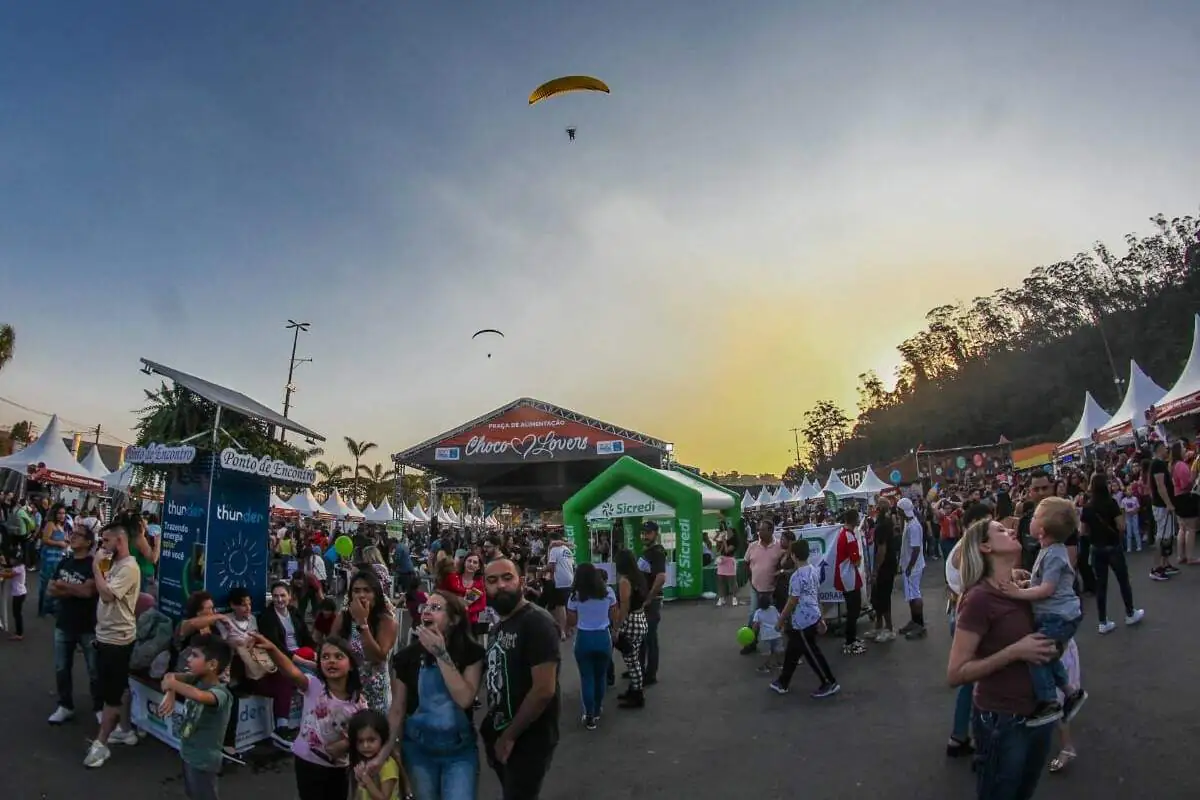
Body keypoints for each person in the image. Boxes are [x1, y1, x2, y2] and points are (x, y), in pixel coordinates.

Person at [948, 518, 1060, 800]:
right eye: (1000, 530)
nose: (1011, 530)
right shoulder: (978, 599)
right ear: (985, 547)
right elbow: (956, 673)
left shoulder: (1022, 585)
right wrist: (1014, 652)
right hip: (1003, 721)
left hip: (1040, 714)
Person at [382, 590, 483, 799]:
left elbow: (465, 699)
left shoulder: (471, 653)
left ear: (454, 619)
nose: (427, 611)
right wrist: (384, 753)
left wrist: (441, 655)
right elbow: (398, 709)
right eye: (425, 607)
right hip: (419, 750)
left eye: (436, 608)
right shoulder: (405, 657)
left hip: (459, 752)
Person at [1001, 497, 1087, 727]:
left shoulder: (1055, 555)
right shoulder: (1048, 550)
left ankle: (1049, 702)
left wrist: (1016, 593)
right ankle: (1070, 692)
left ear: (1041, 529)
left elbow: (1047, 590)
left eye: (1036, 515)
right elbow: (1043, 583)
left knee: (1036, 654)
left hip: (1059, 617)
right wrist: (1029, 583)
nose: (1030, 519)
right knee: (1048, 656)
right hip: (1055, 615)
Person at [481, 558, 561, 799]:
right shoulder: (500, 626)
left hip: (528, 738)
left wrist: (509, 736)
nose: (501, 585)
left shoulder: (536, 621)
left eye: (507, 578)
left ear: (522, 582)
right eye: (492, 581)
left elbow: (544, 690)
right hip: (501, 731)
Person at [255, 633, 367, 800]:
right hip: (307, 762)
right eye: (325, 657)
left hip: (339, 768)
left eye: (339, 656)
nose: (331, 661)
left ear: (351, 665)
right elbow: (291, 671)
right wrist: (272, 649)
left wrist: (345, 743)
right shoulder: (313, 686)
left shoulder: (358, 702)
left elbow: (363, 735)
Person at [85, 519, 142, 768]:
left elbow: (107, 594)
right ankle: (126, 730)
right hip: (106, 634)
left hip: (118, 639)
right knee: (117, 688)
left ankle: (101, 744)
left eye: (107, 540)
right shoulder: (115, 564)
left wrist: (96, 567)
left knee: (112, 695)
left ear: (120, 540)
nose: (103, 545)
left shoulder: (129, 567)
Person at [158, 634, 235, 800]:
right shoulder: (196, 678)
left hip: (204, 761)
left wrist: (174, 686)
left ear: (212, 664)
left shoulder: (222, 693)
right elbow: (168, 677)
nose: (189, 660)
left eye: (195, 656)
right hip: (188, 754)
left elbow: (200, 696)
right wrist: (171, 691)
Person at [47, 524, 101, 724]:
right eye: (73, 534)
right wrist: (74, 589)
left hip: (88, 625)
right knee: (62, 667)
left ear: (88, 542)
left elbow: (89, 592)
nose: (74, 537)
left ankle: (99, 707)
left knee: (94, 669)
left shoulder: (93, 564)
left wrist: (65, 586)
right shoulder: (65, 562)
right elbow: (52, 589)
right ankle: (65, 705)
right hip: (64, 623)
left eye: (79, 535)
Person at [771, 539, 839, 698]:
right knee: (793, 650)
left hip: (802, 621)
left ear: (794, 556)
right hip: (811, 617)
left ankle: (829, 682)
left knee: (811, 653)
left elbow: (792, 601)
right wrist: (821, 617)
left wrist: (780, 620)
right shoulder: (813, 570)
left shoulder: (796, 576)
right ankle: (783, 681)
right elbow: (816, 595)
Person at [1080, 473, 1145, 635]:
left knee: (1101, 586)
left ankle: (1103, 621)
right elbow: (1121, 526)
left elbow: (1083, 531)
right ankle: (1130, 613)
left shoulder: (1087, 508)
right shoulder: (1111, 503)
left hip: (1096, 548)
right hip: (1113, 546)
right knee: (1123, 580)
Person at [335, 570, 399, 713]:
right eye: (356, 591)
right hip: (347, 691)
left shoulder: (387, 622)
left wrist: (362, 623)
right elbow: (330, 647)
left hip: (375, 695)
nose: (361, 595)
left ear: (376, 595)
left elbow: (376, 656)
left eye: (367, 590)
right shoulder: (342, 618)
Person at [565, 563, 617, 728]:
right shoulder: (608, 592)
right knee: (600, 676)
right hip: (603, 637)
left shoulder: (575, 595)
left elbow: (571, 621)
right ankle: (597, 709)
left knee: (587, 677)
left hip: (584, 637)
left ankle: (589, 715)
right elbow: (614, 614)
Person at [612, 548, 649, 709]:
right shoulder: (639, 577)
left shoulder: (624, 581)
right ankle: (634, 690)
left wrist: (616, 627)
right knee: (634, 659)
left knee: (632, 661)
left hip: (631, 621)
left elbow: (624, 606)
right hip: (641, 618)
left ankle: (637, 694)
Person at [741, 520, 782, 653]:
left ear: (771, 531)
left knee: (773, 617)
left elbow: (783, 564)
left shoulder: (779, 546)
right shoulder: (752, 546)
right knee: (753, 615)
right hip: (755, 588)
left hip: (772, 590)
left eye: (763, 530)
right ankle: (751, 643)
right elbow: (746, 563)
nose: (759, 532)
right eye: (759, 529)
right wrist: (750, 579)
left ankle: (775, 644)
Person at [349, 708, 406, 800]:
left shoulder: (387, 765)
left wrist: (366, 780)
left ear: (382, 738)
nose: (365, 745)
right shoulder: (362, 762)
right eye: (360, 741)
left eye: (371, 740)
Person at [833, 509, 866, 655]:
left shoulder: (843, 534)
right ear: (854, 520)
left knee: (853, 609)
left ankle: (851, 638)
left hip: (846, 576)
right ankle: (849, 641)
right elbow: (856, 560)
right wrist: (857, 559)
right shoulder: (849, 536)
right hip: (848, 578)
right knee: (854, 610)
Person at [866, 499, 898, 642]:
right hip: (887, 564)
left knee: (883, 597)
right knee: (877, 597)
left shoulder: (882, 526)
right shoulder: (885, 522)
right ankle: (878, 626)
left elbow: (882, 550)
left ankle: (889, 629)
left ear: (878, 509)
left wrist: (875, 570)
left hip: (885, 566)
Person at [1148, 441, 1180, 580]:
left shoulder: (1158, 464)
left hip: (1161, 505)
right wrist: (1168, 503)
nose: (1167, 450)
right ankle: (1156, 568)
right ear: (1160, 449)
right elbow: (1161, 486)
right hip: (1162, 506)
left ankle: (1165, 564)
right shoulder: (1158, 464)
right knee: (1162, 536)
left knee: (1167, 536)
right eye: (1165, 448)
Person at [897, 498, 928, 639]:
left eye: (898, 510)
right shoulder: (908, 522)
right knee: (911, 595)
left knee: (915, 595)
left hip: (913, 567)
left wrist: (909, 567)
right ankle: (914, 621)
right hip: (909, 565)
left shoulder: (914, 526)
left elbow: (916, 548)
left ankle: (920, 625)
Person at [751, 592, 783, 673]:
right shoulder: (774, 609)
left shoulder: (758, 612)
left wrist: (753, 633)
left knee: (766, 652)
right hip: (776, 633)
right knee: (777, 650)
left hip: (766, 636)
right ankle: (779, 663)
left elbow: (755, 625)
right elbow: (779, 618)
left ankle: (766, 666)